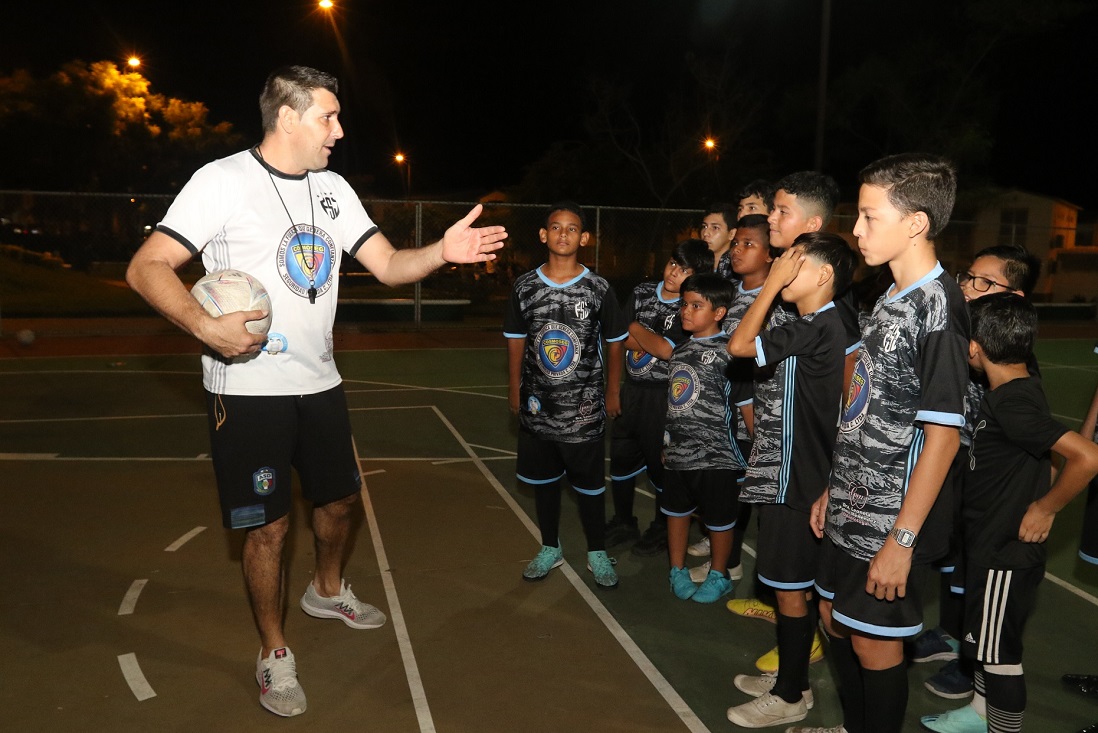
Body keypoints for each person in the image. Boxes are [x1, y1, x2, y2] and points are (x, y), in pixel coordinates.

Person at [124, 65, 506, 718]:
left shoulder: (333, 189)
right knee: (268, 529)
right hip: (247, 391)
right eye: (328, 116)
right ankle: (274, 650)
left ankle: (326, 588)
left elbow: (387, 266)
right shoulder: (221, 182)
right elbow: (146, 266)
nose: (339, 129)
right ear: (289, 116)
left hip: (321, 384)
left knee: (340, 506)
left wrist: (441, 250)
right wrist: (204, 324)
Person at [804, 152, 969, 733]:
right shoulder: (889, 298)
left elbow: (943, 438)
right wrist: (834, 486)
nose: (855, 230)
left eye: (870, 217)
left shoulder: (940, 307)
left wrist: (902, 541)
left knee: (876, 648)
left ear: (916, 223)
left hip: (888, 520)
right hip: (852, 501)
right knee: (833, 619)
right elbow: (866, 408)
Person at [920, 293, 1098, 733]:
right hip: (988, 544)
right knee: (984, 643)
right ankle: (980, 715)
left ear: (976, 346)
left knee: (999, 657)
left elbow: (1089, 458)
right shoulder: (1016, 388)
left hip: (1004, 554)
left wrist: (1044, 506)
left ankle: (1002, 728)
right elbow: (1046, 452)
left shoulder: (1012, 403)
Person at [725, 233, 857, 728]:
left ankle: (790, 694)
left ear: (823, 275)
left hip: (798, 480)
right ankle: (794, 677)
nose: (783, 269)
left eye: (792, 264)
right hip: (790, 474)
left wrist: (770, 283)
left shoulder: (819, 325)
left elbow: (740, 344)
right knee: (791, 589)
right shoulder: (815, 324)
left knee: (790, 590)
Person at [912, 244, 1040, 702]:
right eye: (968, 277)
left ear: (1015, 298)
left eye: (984, 283)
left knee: (979, 572)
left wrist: (1045, 505)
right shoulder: (960, 331)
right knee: (955, 558)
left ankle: (972, 667)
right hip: (958, 467)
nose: (968, 288)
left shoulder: (1009, 366)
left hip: (981, 476)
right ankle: (952, 636)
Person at [505, 201, 626, 590]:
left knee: (590, 486)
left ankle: (596, 551)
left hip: (584, 408)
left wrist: (611, 391)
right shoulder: (524, 286)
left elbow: (615, 343)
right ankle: (550, 546)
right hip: (538, 405)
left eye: (572, 229)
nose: (563, 234)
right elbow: (515, 341)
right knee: (544, 483)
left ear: (584, 238)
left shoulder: (598, 288)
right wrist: (514, 390)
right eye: (555, 228)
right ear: (543, 235)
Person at [607, 238, 713, 556]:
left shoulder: (688, 306)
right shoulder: (641, 291)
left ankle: (661, 528)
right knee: (622, 458)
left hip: (663, 397)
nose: (673, 272)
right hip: (632, 391)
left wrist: (635, 328)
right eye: (672, 264)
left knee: (660, 465)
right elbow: (618, 337)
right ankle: (624, 520)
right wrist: (614, 388)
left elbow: (668, 350)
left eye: (684, 270)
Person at [689, 214, 775, 581]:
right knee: (728, 492)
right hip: (724, 413)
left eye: (749, 244)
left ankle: (733, 566)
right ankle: (728, 557)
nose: (737, 250)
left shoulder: (779, 300)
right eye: (736, 243)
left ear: (772, 255)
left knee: (754, 495)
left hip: (760, 412)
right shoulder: (730, 292)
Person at [663, 273, 750, 604]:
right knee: (676, 512)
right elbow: (673, 402)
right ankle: (677, 569)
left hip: (717, 455)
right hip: (678, 453)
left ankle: (719, 573)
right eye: (684, 304)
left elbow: (746, 406)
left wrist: (756, 452)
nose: (686, 311)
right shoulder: (680, 351)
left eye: (697, 305)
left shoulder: (731, 352)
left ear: (719, 312)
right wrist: (666, 443)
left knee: (720, 519)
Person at [700, 203, 739, 280]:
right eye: (704, 226)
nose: (705, 233)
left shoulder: (736, 271)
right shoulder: (695, 263)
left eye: (715, 228)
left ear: (732, 233)